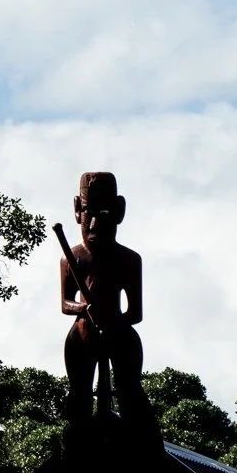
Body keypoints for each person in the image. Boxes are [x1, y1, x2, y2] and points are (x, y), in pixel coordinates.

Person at [60, 170, 150, 429]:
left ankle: (143, 443)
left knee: (130, 393)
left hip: (119, 335)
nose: (95, 225)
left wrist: (113, 324)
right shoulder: (72, 258)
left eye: (106, 215)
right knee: (79, 395)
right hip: (82, 336)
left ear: (120, 211)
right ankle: (75, 445)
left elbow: (135, 313)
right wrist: (84, 308)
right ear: (78, 210)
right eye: (89, 212)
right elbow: (66, 304)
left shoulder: (129, 260)